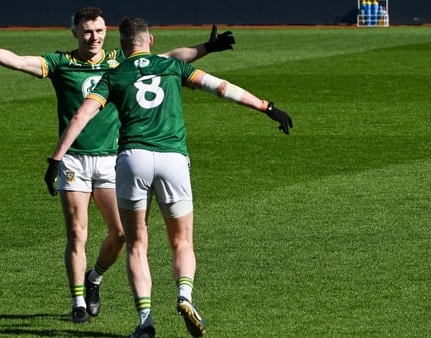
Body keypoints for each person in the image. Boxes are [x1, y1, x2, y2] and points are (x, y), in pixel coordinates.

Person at [0, 7, 236, 324]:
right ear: (75, 33)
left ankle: (95, 278)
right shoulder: (62, 63)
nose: (94, 37)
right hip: (74, 160)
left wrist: (206, 47)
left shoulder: (118, 62)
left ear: (106, 33)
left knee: (121, 235)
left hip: (112, 160)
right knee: (77, 233)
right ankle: (78, 302)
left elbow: (168, 57)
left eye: (99, 31)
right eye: (87, 31)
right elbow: (22, 62)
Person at [46, 16, 292, 338]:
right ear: (150, 41)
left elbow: (81, 115)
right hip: (173, 160)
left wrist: (56, 158)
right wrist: (267, 107)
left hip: (132, 160)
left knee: (136, 244)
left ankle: (145, 321)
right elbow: (220, 87)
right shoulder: (172, 67)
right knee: (182, 241)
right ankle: (184, 295)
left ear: (121, 46)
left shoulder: (114, 74)